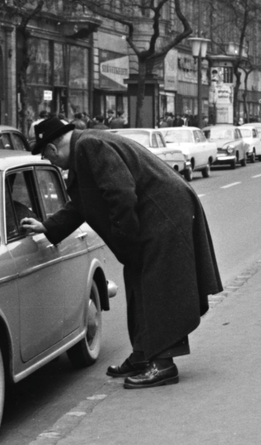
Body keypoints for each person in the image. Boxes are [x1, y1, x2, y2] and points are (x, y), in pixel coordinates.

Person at [34, 115, 222, 388]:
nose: (48, 161)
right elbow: (83, 204)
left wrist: (127, 241)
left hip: (163, 214)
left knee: (159, 287)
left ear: (52, 148)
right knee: (138, 284)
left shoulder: (89, 147)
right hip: (157, 212)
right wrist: (48, 226)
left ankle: (163, 364)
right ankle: (144, 354)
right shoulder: (86, 146)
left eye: (45, 155)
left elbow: (121, 194)